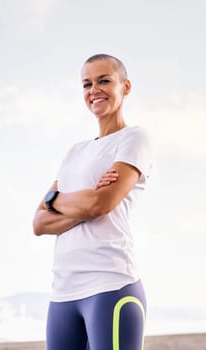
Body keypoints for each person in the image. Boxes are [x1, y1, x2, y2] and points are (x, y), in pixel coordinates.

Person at [33, 53, 152, 350]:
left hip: (110, 285)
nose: (93, 90)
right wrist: (81, 202)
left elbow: (100, 205)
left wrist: (58, 202)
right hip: (63, 293)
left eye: (104, 81)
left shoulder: (134, 139)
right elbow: (39, 222)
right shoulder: (75, 152)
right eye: (87, 84)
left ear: (125, 87)